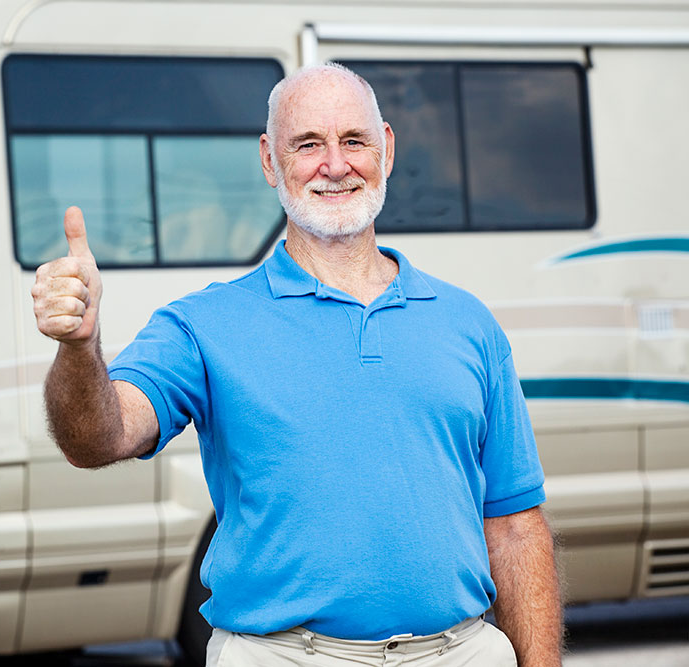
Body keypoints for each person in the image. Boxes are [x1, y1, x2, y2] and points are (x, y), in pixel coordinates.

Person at [31, 62, 562, 667]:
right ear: (269, 160)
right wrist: (78, 349)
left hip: (463, 652)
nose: (334, 166)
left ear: (385, 149)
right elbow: (97, 438)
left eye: (353, 141)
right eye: (307, 144)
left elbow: (517, 527)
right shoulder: (203, 326)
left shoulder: (468, 323)